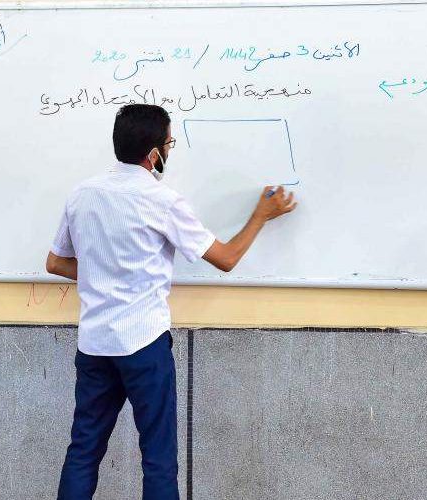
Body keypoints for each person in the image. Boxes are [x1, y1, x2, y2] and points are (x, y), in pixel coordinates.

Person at [47, 104, 296, 499]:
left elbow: (56, 262)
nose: (169, 149)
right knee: (158, 460)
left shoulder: (83, 194)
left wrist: (103, 273)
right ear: (153, 154)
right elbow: (226, 258)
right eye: (169, 144)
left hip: (94, 345)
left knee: (84, 452)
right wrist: (260, 216)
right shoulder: (162, 200)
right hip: (144, 345)